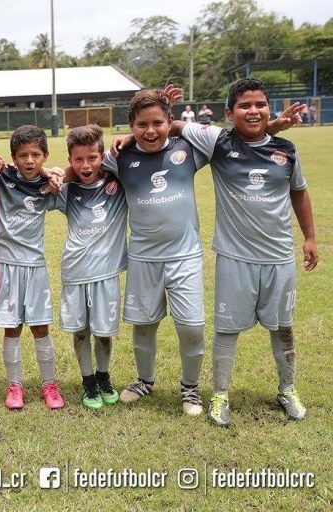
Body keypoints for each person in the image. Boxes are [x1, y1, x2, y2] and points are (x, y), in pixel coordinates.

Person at [175, 77, 318, 427]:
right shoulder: (219, 142)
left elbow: (298, 192)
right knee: (227, 329)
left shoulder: (286, 150)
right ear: (229, 112)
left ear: (269, 108)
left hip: (279, 257)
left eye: (260, 105)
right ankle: (220, 394)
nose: (253, 111)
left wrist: (310, 237)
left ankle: (287, 389)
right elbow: (174, 124)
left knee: (283, 327)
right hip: (234, 258)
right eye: (244, 106)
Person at [106, 89, 209, 416]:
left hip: (185, 256)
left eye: (158, 123)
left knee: (191, 326)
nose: (150, 131)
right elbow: (86, 165)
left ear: (170, 122)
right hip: (143, 258)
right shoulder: (120, 157)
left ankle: (191, 389)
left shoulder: (188, 150)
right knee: (144, 324)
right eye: (141, 125)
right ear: (131, 125)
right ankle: (144, 381)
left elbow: (232, 139)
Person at [0, 125, 64, 410]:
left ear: (44, 155)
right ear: (13, 158)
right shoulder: (2, 176)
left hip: (35, 266)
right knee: (12, 327)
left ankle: (49, 384)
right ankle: (15, 385)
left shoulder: (50, 185)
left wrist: (54, 173)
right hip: (6, 265)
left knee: (41, 327)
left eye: (35, 155)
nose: (29, 161)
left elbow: (75, 174)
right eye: (23, 155)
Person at [56, 124, 128, 409]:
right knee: (81, 330)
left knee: (104, 332)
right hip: (74, 272)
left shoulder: (118, 185)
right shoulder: (66, 189)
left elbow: (130, 156)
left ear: (102, 157)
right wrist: (61, 173)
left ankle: (104, 376)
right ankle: (88, 382)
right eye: (78, 159)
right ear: (71, 160)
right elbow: (37, 184)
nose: (86, 165)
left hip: (106, 274)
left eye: (93, 158)